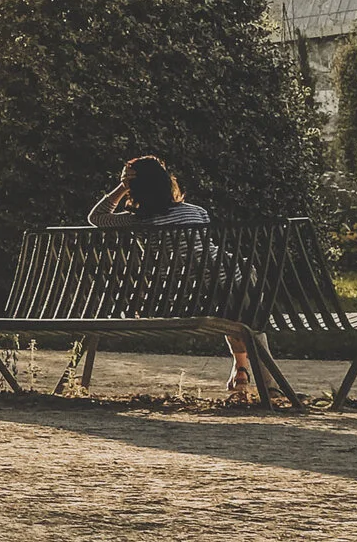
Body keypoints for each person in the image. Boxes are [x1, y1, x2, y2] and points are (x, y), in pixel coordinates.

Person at [88, 154, 250, 397]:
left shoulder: (138, 221)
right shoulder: (197, 212)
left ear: (136, 188)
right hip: (227, 282)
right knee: (239, 307)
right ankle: (247, 371)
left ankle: (242, 368)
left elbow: (96, 218)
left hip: (181, 299)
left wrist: (122, 187)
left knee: (228, 301)